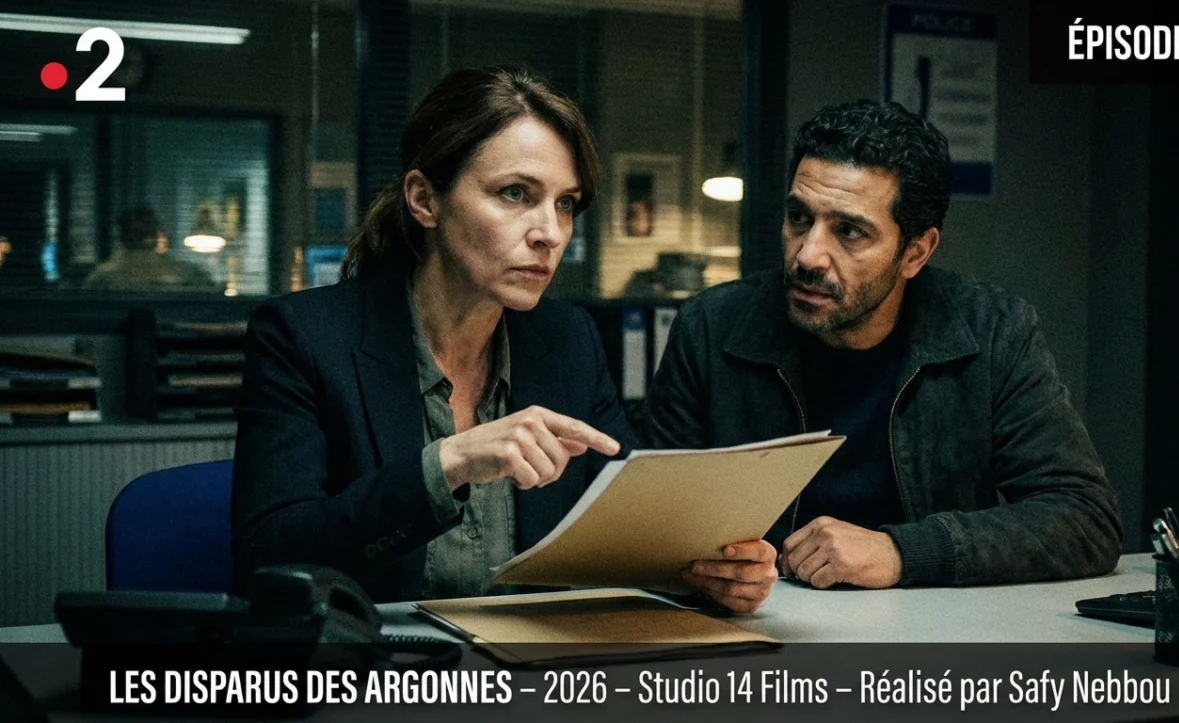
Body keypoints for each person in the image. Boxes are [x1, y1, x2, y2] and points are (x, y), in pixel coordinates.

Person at [232, 65, 777, 613]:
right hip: (377, 657)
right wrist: (447, 464)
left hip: (533, 658)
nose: (551, 233)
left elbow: (635, 527)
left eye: (566, 203)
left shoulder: (567, 339)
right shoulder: (304, 336)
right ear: (424, 199)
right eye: (515, 194)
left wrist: (710, 570)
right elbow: (267, 559)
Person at [644, 99, 1123, 590]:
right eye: (799, 218)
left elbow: (1085, 518)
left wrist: (901, 552)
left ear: (915, 252)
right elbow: (650, 527)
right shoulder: (712, 327)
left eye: (849, 231)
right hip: (762, 624)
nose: (808, 255)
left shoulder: (993, 331)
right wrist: (710, 574)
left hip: (928, 628)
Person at [83, 208, 217, 292]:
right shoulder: (104, 277)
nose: (143, 235)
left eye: (146, 229)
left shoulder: (184, 273)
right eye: (137, 231)